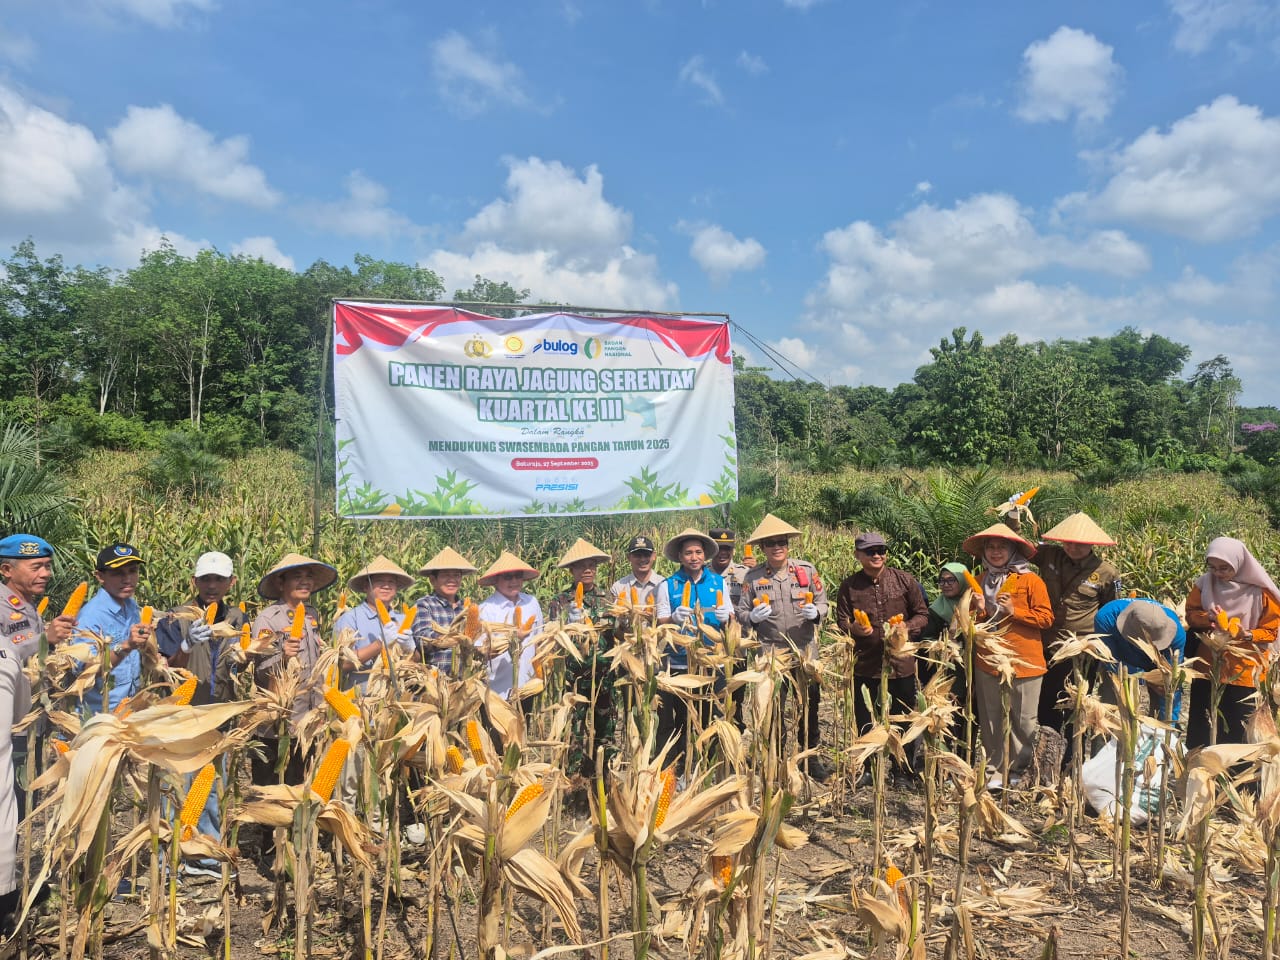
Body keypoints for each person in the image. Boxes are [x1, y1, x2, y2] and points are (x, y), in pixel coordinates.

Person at [154, 551, 247, 879]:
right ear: (194, 581)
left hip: (218, 712)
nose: (211, 586)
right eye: (205, 579)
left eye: (219, 580)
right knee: (176, 785)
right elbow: (164, 669)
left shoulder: (236, 618)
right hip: (183, 713)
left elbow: (240, 666)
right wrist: (187, 646)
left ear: (230, 583)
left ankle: (204, 856)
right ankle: (168, 859)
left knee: (210, 785)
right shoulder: (174, 619)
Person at [737, 514, 830, 781]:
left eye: (782, 542)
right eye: (771, 543)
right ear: (762, 549)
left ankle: (810, 759)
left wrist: (816, 614)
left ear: (788, 545)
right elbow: (742, 612)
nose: (777, 547)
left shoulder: (806, 570)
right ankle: (775, 758)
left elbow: (824, 603)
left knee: (810, 705)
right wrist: (751, 618)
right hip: (770, 652)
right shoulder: (752, 577)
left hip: (804, 651)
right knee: (774, 706)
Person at [962, 524, 1054, 789]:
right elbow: (973, 623)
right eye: (990, 547)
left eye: (1002, 546)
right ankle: (993, 768)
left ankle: (1019, 768)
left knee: (1023, 719)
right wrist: (978, 609)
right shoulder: (979, 581)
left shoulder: (1031, 581)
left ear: (1013, 549)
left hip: (1024, 659)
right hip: (988, 659)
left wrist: (1015, 611)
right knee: (991, 716)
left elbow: (1046, 618)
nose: (995, 552)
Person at [0, 534, 75, 819]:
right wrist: (44, 638)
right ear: (7, 570)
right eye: (36, 567)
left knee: (21, 806)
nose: (46, 573)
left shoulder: (27, 605)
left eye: (47, 565)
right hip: (11, 726)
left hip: (32, 723)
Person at [833, 532, 929, 752]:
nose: (877, 555)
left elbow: (922, 614)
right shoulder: (849, 586)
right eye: (870, 551)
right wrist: (853, 628)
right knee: (866, 720)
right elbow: (841, 620)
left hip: (901, 664)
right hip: (867, 665)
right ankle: (869, 767)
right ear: (858, 555)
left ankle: (902, 768)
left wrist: (906, 627)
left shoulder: (904, 580)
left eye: (881, 550)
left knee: (903, 718)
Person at [249, 553, 338, 785]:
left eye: (308, 577)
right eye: (297, 577)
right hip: (278, 722)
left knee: (299, 787)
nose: (305, 582)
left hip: (307, 722)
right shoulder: (268, 619)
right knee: (269, 791)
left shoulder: (312, 615)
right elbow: (259, 669)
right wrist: (281, 656)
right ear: (281, 583)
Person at [1184, 536, 1280, 748]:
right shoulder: (1204, 584)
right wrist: (1209, 618)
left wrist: (1246, 635)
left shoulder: (1261, 592)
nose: (1218, 574)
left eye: (1225, 568)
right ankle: (1204, 773)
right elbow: (1191, 614)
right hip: (1208, 666)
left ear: (1239, 563)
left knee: (1239, 727)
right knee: (1205, 722)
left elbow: (1271, 631)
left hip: (1244, 670)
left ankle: (1239, 778)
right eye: (1213, 568)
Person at [1035, 513, 1120, 732]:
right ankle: (1049, 751)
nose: (1072, 547)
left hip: (1081, 651)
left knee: (1078, 704)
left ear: (1091, 543)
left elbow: (1110, 612)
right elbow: (1016, 548)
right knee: (1046, 704)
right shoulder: (1049, 556)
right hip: (1047, 644)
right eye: (1068, 542)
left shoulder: (1106, 572)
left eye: (1079, 543)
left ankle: (1073, 758)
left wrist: (1106, 654)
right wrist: (1014, 517)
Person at [655, 529, 733, 772]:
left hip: (711, 663)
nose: (693, 557)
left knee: (710, 719)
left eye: (698, 552)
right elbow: (660, 622)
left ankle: (707, 769)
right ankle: (675, 772)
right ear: (679, 556)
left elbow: (730, 619)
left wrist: (725, 619)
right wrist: (673, 620)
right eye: (688, 552)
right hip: (678, 664)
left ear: (705, 555)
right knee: (676, 721)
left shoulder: (718, 582)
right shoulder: (668, 585)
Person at [546, 538, 617, 784]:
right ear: (571, 571)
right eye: (580, 566)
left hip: (604, 676)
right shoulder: (559, 602)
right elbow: (554, 638)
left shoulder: (608, 599)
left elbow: (618, 634)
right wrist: (571, 625)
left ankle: (604, 778)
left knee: (604, 729)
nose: (587, 570)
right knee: (573, 731)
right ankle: (573, 780)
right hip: (574, 679)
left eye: (591, 565)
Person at [77, 543, 153, 716]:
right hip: (99, 717)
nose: (127, 579)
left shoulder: (131, 606)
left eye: (132, 571)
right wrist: (125, 646)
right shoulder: (90, 617)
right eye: (118, 573)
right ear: (100, 576)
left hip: (128, 712)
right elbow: (85, 671)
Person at [1093, 598, 1186, 723]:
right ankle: (1107, 739)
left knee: (1163, 697)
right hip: (1119, 661)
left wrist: (1169, 727)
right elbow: (1110, 661)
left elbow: (1171, 685)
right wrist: (1146, 678)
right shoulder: (1106, 618)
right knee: (1112, 708)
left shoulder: (1176, 634)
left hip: (1153, 664)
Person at [332, 556, 416, 691]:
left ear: (396, 587)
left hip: (396, 699)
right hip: (361, 700)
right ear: (366, 586)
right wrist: (379, 645)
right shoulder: (350, 619)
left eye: (391, 582)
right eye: (379, 581)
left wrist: (411, 649)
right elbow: (341, 664)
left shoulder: (403, 619)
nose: (386, 586)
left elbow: (415, 662)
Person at [476, 551, 543, 701]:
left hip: (528, 687)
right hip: (497, 691)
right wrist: (511, 641)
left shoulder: (531, 602)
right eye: (507, 577)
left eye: (517, 576)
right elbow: (479, 653)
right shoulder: (485, 609)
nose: (514, 581)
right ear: (495, 580)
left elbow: (539, 641)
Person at [412, 547, 478, 673]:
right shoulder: (425, 604)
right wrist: (455, 639)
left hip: (467, 680)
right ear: (433, 580)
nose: (452, 580)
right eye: (445, 575)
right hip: (436, 682)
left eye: (456, 575)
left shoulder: (468, 608)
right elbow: (422, 639)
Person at [610, 535, 666, 625]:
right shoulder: (618, 587)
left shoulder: (664, 585)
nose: (642, 559)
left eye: (646, 555)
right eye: (637, 555)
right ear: (629, 557)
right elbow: (614, 623)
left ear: (654, 556)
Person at [709, 528, 750, 609]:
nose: (723, 552)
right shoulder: (702, 573)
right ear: (711, 550)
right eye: (719, 548)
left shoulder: (745, 573)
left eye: (727, 548)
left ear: (733, 550)